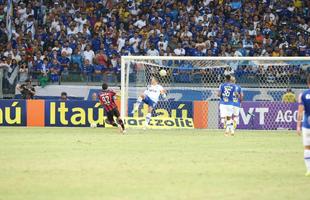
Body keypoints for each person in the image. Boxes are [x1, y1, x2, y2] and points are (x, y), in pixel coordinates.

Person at [297, 75, 310, 176]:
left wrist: (298, 126)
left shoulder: (303, 95)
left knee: (307, 147)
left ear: (308, 83)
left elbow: (300, 112)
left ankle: (309, 169)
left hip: (307, 125)